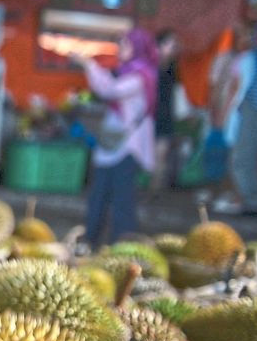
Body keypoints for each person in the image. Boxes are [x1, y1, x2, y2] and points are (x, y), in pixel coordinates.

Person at [72, 28, 158, 247]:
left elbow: (110, 91)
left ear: (138, 47)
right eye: (120, 44)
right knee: (98, 195)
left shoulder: (141, 76)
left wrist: (89, 65)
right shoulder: (125, 71)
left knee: (122, 201)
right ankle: (90, 241)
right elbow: (107, 88)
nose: (121, 50)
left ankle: (122, 247)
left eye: (126, 45)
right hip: (111, 145)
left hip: (128, 146)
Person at [219, 0, 257, 217]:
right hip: (251, 103)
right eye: (255, 8)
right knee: (243, 155)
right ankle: (253, 201)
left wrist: (252, 34)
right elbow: (241, 46)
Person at [208, 23, 255, 211]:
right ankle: (234, 195)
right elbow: (228, 90)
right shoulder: (236, 59)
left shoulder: (246, 59)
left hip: (241, 113)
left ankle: (239, 196)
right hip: (237, 113)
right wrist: (221, 112)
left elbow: (234, 90)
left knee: (239, 158)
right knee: (234, 157)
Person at [153, 28, 180, 187]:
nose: (175, 46)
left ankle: (154, 191)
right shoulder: (150, 65)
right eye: (171, 43)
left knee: (160, 156)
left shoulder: (172, 67)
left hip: (165, 116)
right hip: (150, 115)